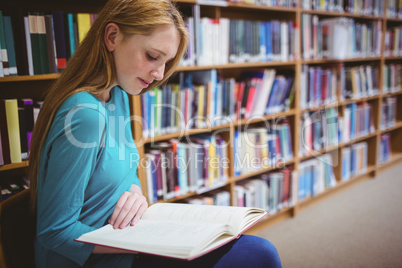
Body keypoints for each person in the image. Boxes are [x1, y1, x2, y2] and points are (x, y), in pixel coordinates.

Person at [28, 0, 282, 267]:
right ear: (112, 37)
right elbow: (54, 232)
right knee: (260, 255)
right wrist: (136, 242)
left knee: (259, 251)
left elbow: (126, 168)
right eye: (152, 56)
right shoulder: (84, 115)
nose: (159, 74)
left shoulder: (118, 94)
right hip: (100, 256)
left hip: (127, 238)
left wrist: (135, 191)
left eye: (166, 62)